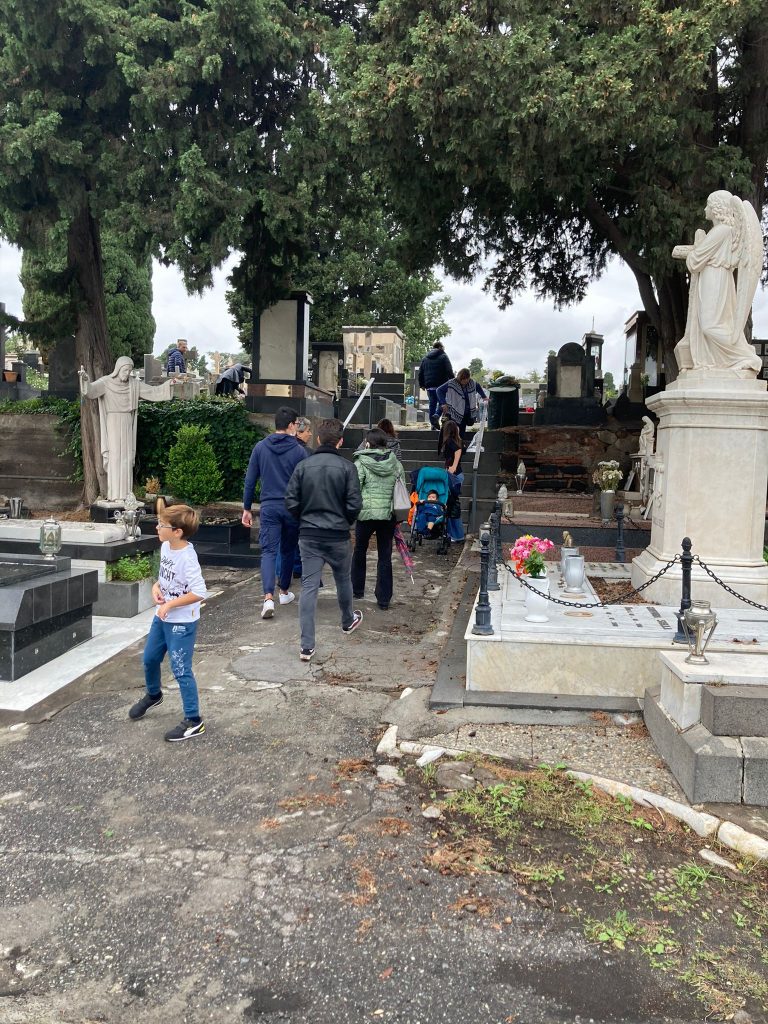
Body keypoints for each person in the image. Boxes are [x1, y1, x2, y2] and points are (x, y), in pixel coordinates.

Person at [284, 418, 364, 661]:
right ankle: (347, 620)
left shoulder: (303, 466)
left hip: (309, 534)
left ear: (318, 438)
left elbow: (291, 501)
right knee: (343, 580)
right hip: (338, 535)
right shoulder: (348, 468)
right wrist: (344, 521)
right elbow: (355, 505)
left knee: (309, 587)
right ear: (340, 441)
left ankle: (306, 645)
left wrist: (304, 519)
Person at [128, 504, 209, 742]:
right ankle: (154, 695)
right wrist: (156, 588)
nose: (157, 527)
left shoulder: (188, 557)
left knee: (181, 669)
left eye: (162, 525)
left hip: (182, 623)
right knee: (149, 659)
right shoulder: (165, 547)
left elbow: (200, 592)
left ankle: (194, 721)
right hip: (162, 618)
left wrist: (171, 605)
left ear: (178, 532)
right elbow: (163, 578)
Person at [672, 190, 762, 375]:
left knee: (710, 325)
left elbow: (697, 259)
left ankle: (744, 355)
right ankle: (718, 359)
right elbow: (701, 254)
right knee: (713, 324)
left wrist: (686, 253)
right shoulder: (721, 232)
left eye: (708, 205)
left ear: (716, 208)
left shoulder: (721, 231)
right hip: (714, 278)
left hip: (715, 279)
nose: (705, 209)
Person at [242, 406, 309, 619]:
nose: (297, 427)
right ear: (290, 425)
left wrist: (246, 508)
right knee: (288, 550)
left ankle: (268, 597)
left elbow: (250, 480)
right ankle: (284, 591)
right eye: (296, 424)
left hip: (269, 506)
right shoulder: (299, 451)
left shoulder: (261, 447)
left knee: (269, 552)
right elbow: (304, 483)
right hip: (292, 507)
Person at [78, 356, 176, 502]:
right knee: (115, 457)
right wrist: (85, 380)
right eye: (125, 370)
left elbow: (152, 392)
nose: (127, 373)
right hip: (113, 422)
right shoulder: (106, 382)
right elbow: (90, 391)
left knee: (126, 458)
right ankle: (114, 495)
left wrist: (169, 385)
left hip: (127, 422)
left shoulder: (134, 385)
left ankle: (126, 494)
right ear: (118, 369)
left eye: (129, 370)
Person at [351, 427, 406, 610]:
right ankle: (383, 599)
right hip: (387, 516)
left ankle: (357, 589)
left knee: (359, 550)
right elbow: (401, 489)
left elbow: (355, 489)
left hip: (366, 515)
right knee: (385, 556)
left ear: (368, 443)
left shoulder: (361, 462)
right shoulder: (396, 464)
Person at [436, 368, 487, 442]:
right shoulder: (452, 383)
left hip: (465, 413)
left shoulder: (472, 383)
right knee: (453, 432)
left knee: (462, 432)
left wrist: (484, 397)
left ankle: (460, 448)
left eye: (467, 379)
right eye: (463, 379)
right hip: (454, 411)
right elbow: (439, 390)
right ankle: (452, 449)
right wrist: (443, 403)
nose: (465, 381)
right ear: (460, 378)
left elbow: (478, 387)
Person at [439, 419, 465, 542]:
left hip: (453, 475)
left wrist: (453, 466)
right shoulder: (457, 440)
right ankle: (453, 534)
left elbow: (458, 451)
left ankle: (456, 535)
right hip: (456, 475)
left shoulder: (449, 441)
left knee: (452, 506)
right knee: (451, 506)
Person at [418, 341, 454, 429]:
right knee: (444, 403)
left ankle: (433, 425)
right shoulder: (444, 356)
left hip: (429, 386)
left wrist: (421, 384)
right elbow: (449, 370)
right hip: (441, 386)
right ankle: (437, 415)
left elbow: (420, 372)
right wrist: (454, 381)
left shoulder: (425, 358)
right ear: (441, 347)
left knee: (432, 404)